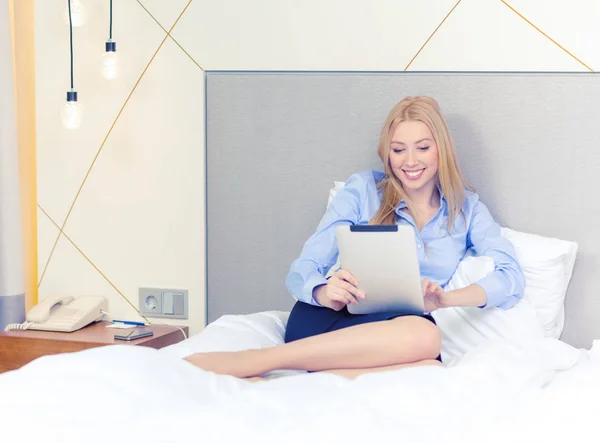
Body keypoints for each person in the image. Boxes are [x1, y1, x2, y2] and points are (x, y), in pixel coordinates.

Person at [185, 96, 525, 380]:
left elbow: (510, 277)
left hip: (396, 330)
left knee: (427, 364)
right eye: (398, 150)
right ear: (386, 153)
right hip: (333, 317)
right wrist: (322, 289)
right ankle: (262, 360)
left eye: (422, 147)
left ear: (442, 150)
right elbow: (303, 267)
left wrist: (446, 300)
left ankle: (285, 378)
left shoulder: (466, 209)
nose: (410, 162)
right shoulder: (363, 190)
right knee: (426, 340)